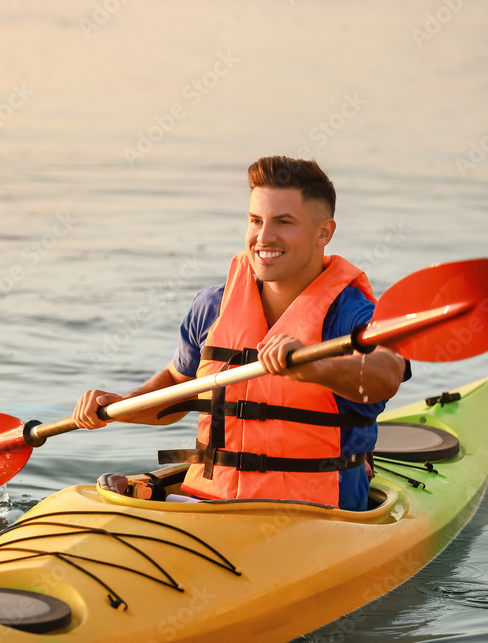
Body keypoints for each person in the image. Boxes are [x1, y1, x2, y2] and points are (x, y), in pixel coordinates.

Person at [71, 156, 408, 511]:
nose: (264, 237)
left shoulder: (352, 313)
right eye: (255, 221)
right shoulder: (212, 305)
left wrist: (314, 369)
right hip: (206, 502)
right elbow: (178, 386)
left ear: (323, 232)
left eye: (284, 222)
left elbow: (384, 377)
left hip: (316, 513)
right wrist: (118, 406)